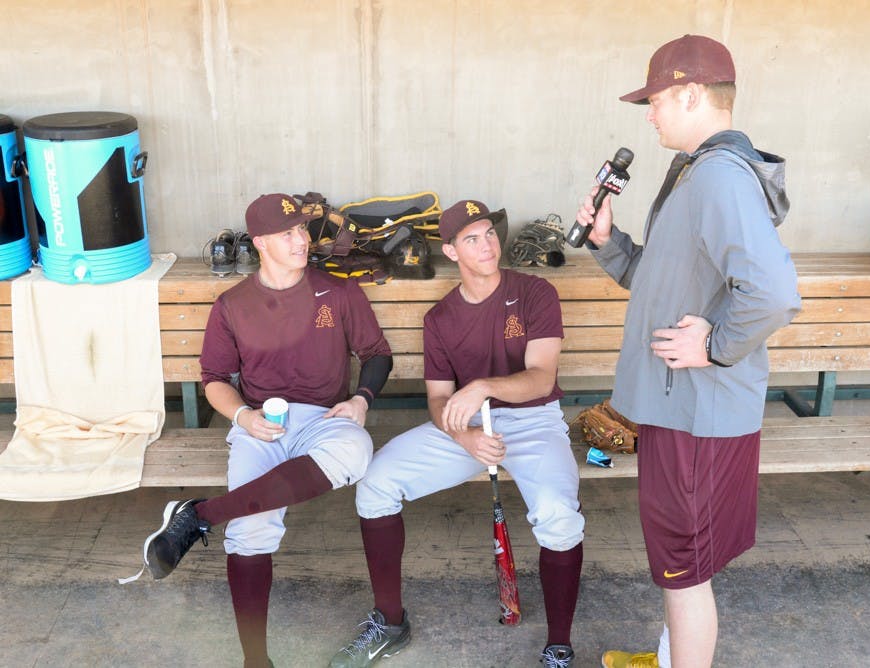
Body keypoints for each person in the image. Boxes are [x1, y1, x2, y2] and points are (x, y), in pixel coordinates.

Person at [573, 35, 801, 668]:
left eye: (656, 100)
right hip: (682, 409)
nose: (649, 113)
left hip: (695, 413)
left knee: (683, 568)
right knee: (686, 562)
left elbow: (774, 294)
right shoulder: (700, 173)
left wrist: (718, 346)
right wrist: (608, 240)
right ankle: (673, 657)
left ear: (693, 94)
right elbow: (665, 280)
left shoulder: (719, 177)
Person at [126, 193, 393, 668]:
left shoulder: (339, 291)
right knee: (251, 529)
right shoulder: (233, 305)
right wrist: (244, 418)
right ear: (261, 242)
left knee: (357, 451)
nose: (301, 240)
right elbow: (214, 381)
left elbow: (377, 354)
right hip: (260, 423)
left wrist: (360, 399)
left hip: (323, 419)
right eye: (288, 233)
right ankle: (256, 660)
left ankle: (200, 515)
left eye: (303, 230)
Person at [329, 199, 585, 668]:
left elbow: (542, 377)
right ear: (451, 252)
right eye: (472, 238)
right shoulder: (440, 318)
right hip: (466, 427)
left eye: (489, 233)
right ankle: (389, 622)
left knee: (558, 517)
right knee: (376, 484)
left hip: (533, 420)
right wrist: (465, 437)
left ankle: (559, 646)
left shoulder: (534, 293)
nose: (487, 244)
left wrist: (484, 386)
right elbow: (438, 400)